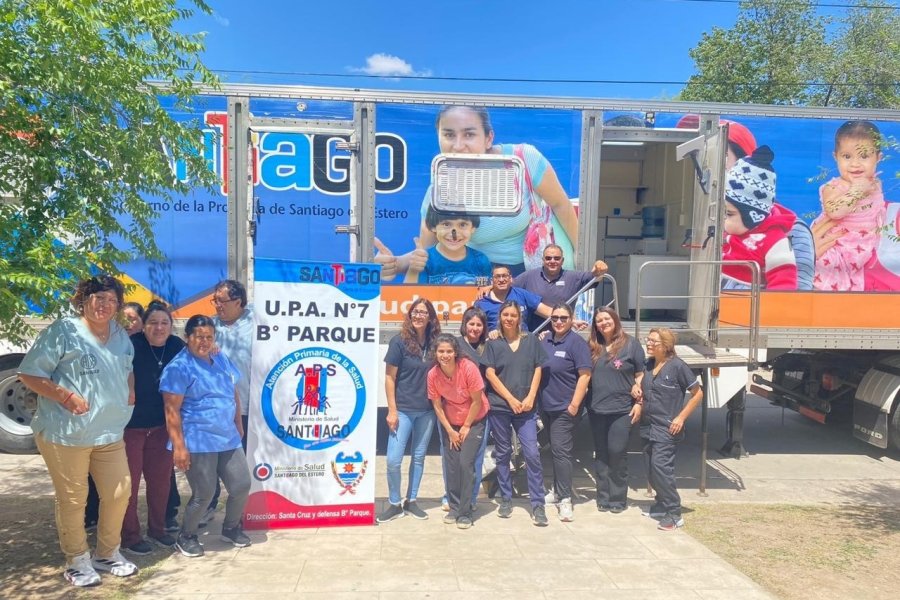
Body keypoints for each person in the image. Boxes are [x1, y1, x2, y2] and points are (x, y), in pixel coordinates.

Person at [18, 276, 138, 587]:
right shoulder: (63, 331)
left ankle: (107, 554)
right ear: (83, 300)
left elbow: (127, 367)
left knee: (119, 492)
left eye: (111, 300)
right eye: (98, 298)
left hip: (109, 432)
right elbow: (29, 373)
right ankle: (77, 561)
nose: (104, 305)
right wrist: (65, 396)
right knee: (74, 499)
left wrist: (130, 390)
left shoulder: (119, 334)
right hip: (66, 433)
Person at [374, 105, 579, 279]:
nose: (458, 146)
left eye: (469, 134)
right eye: (449, 135)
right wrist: (395, 264)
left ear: (489, 138)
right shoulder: (439, 189)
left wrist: (583, 255)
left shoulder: (524, 159)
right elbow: (429, 255)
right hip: (475, 277)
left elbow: (561, 205)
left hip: (532, 273)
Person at [161, 315, 251, 558]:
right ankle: (187, 536)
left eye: (209, 337)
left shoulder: (219, 357)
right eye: (199, 336)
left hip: (228, 436)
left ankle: (231, 527)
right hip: (198, 438)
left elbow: (233, 390)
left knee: (242, 484)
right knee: (205, 493)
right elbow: (171, 410)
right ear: (187, 337)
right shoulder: (178, 368)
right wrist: (179, 447)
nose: (204, 341)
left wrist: (237, 423)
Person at [120, 301, 184, 555]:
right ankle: (130, 536)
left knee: (160, 483)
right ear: (144, 325)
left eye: (164, 322)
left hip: (161, 427)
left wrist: (213, 348)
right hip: (131, 428)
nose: (159, 327)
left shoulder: (177, 346)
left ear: (171, 325)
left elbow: (198, 358)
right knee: (130, 485)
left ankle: (158, 530)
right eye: (153, 322)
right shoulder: (131, 345)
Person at [483, 300, 549, 526]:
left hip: (526, 408)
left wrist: (530, 397)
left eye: (513, 315)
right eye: (505, 315)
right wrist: (510, 399)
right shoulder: (494, 343)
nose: (509, 319)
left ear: (519, 318)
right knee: (503, 453)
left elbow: (538, 368)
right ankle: (506, 498)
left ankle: (538, 504)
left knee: (532, 453)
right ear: (500, 317)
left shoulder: (530, 340)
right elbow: (490, 374)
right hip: (501, 407)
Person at [378, 298, 442, 523]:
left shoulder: (436, 343)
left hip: (427, 411)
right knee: (393, 461)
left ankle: (411, 501)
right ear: (410, 315)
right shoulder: (399, 342)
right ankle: (394, 503)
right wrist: (392, 410)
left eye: (423, 312)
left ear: (430, 317)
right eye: (415, 311)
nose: (418, 316)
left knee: (418, 458)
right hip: (403, 410)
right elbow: (389, 378)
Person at [640, 328, 703, 532]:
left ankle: (674, 513)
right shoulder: (649, 364)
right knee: (650, 468)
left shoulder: (678, 366)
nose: (649, 344)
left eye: (653, 341)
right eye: (648, 340)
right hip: (648, 425)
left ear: (666, 345)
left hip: (667, 428)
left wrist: (681, 417)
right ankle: (661, 503)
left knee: (661, 468)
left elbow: (697, 394)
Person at [812, 121, 886, 292]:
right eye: (847, 156)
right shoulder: (834, 187)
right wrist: (856, 191)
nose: (855, 164)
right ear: (835, 157)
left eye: (864, 156)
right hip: (836, 246)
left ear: (878, 158)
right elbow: (834, 212)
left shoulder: (875, 184)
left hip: (862, 248)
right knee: (826, 281)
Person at [427, 334, 490, 529]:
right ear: (435, 353)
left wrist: (466, 426)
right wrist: (450, 430)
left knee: (465, 463)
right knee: (452, 466)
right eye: (441, 351)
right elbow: (437, 406)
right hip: (451, 423)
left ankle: (465, 512)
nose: (445, 355)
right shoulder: (433, 374)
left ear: (455, 353)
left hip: (474, 420)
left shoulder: (468, 368)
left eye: (449, 351)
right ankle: (454, 507)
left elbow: (477, 401)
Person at [587, 307, 644, 513]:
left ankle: (618, 499)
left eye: (607, 319)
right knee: (601, 453)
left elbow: (640, 373)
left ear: (615, 320)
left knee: (617, 452)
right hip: (596, 408)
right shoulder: (593, 346)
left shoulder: (631, 344)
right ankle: (603, 497)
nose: (603, 323)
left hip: (622, 409)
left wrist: (639, 401)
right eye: (599, 320)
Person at [539, 304, 592, 522]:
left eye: (563, 318)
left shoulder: (577, 343)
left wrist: (574, 405)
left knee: (562, 452)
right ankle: (557, 490)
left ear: (571, 319)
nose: (559, 322)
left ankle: (565, 499)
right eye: (555, 318)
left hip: (564, 408)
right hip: (546, 406)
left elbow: (585, 375)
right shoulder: (546, 340)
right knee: (554, 450)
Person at [721, 146, 798, 290]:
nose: (724, 220)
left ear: (752, 216)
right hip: (718, 291)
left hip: (749, 297)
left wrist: (772, 303)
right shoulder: (729, 233)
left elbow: (784, 283)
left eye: (729, 214)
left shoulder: (775, 241)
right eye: (723, 213)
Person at [513, 243, 608, 331]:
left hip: (563, 335)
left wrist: (599, 266)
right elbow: (510, 288)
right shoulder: (528, 276)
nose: (552, 261)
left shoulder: (573, 277)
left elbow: (594, 276)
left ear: (562, 261)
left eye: (557, 258)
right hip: (535, 334)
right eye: (548, 258)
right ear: (543, 260)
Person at [405, 206, 492, 284]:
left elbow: (488, 293)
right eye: (446, 224)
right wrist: (413, 270)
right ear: (433, 227)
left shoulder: (481, 260)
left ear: (473, 228)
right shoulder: (425, 260)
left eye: (462, 225)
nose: (454, 234)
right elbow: (411, 295)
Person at [475, 264, 551, 331]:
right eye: (497, 277)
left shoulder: (521, 294)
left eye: (504, 276)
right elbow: (475, 327)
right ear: (492, 280)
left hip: (523, 340)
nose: (501, 280)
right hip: (496, 342)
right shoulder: (482, 302)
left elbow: (549, 312)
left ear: (510, 278)